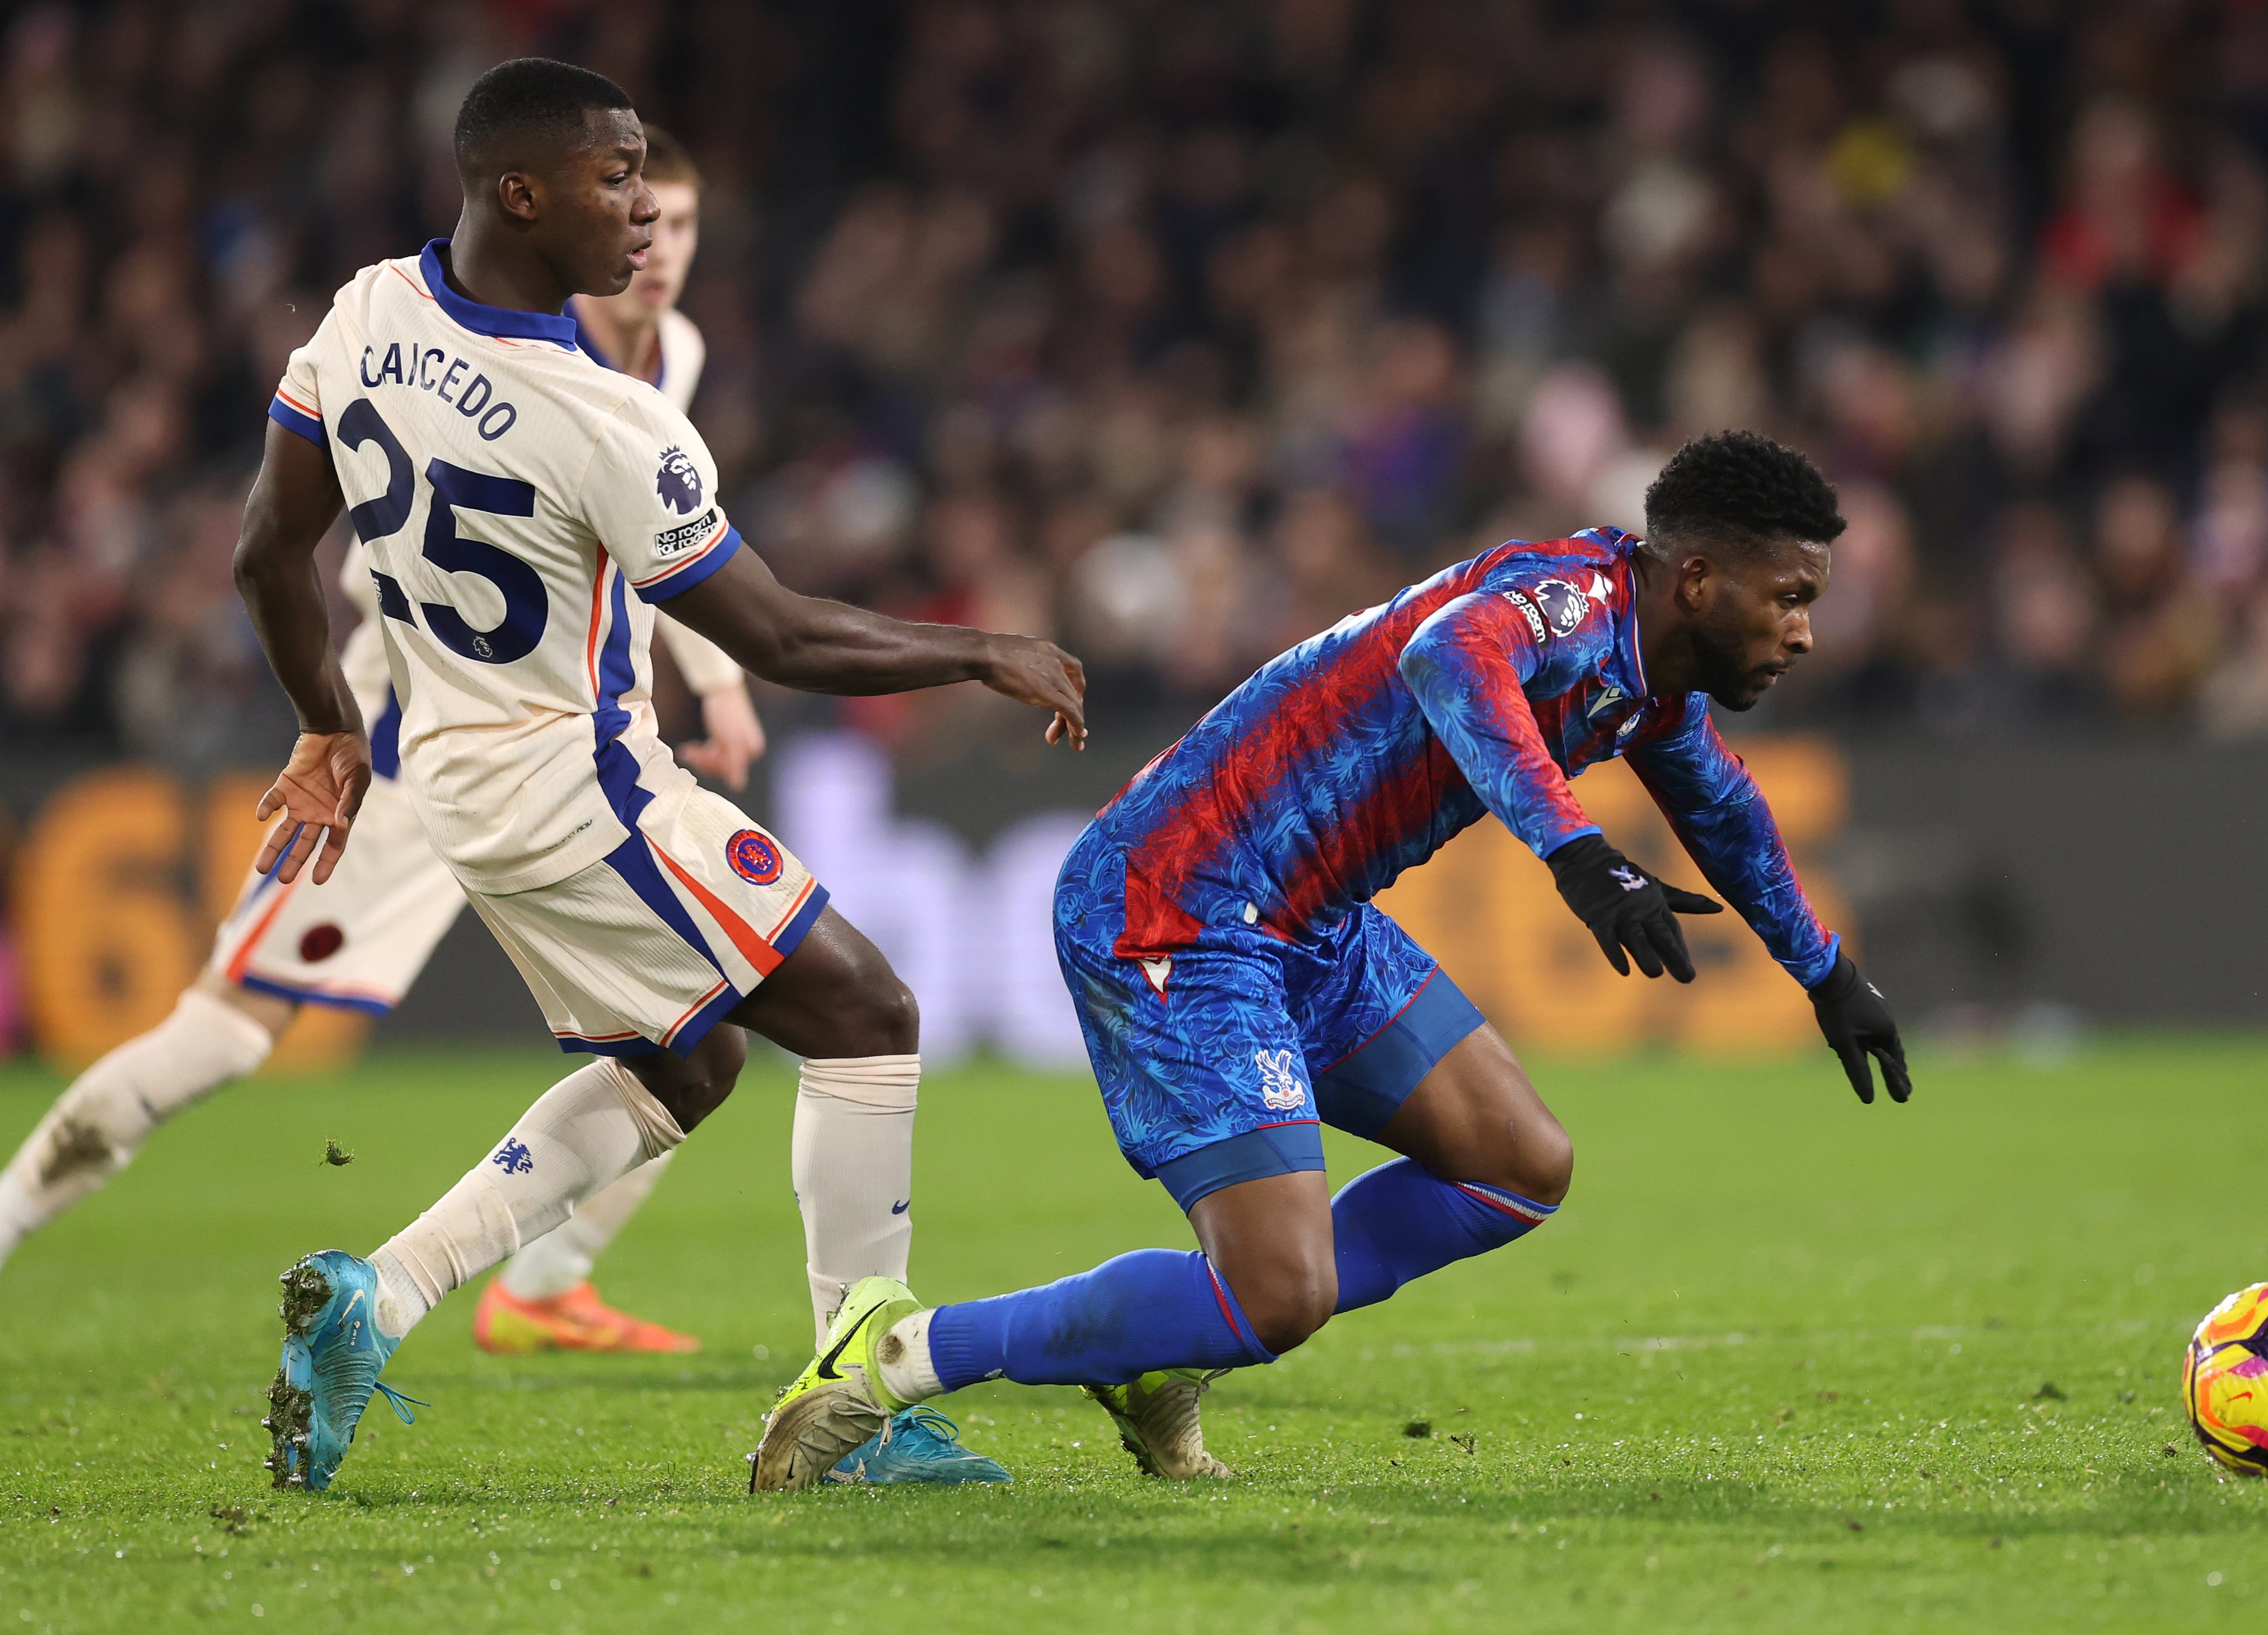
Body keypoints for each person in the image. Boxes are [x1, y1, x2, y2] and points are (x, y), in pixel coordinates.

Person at [745, 430, 1912, 1490]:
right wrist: (1574, 850)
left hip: (1309, 923)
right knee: (1279, 1294)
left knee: (1517, 1163)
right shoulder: (1567, 597)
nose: (1805, 628)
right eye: (1792, 595)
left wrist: (1825, 973)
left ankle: (1162, 1349)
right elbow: (1450, 655)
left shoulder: (1648, 681)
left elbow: (1721, 806)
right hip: (1179, 905)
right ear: (1699, 578)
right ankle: (900, 1352)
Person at [233, 56, 1089, 1493]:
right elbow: (782, 635)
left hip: (455, 781)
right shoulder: (606, 415)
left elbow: (266, 548)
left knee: (688, 1059)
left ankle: (375, 1297)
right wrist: (978, 645)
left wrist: (327, 721)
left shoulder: (367, 310)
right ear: (522, 191)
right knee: (867, 1011)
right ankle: (860, 1407)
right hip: (580, 788)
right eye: (616, 176)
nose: (646, 209)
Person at [0, 129, 767, 1381]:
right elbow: (349, 550)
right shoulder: (489, 350)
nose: (656, 248)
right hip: (407, 763)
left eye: (681, 225)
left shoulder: (669, 366)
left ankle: (546, 1283)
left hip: (565, 770)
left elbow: (641, 558)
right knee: (221, 1036)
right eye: (635, 211)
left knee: (712, 1005)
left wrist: (709, 678)